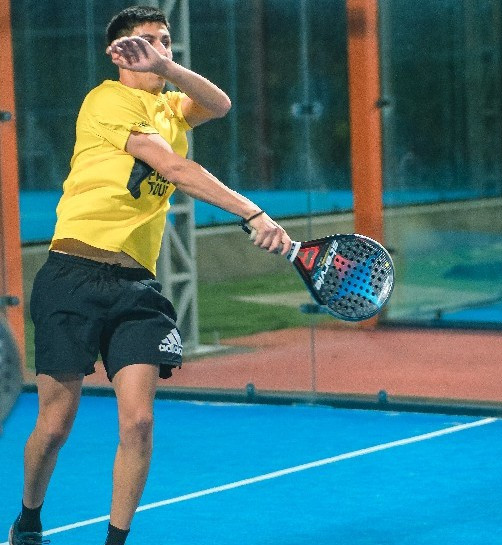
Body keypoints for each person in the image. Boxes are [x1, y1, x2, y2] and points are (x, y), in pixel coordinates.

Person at [8, 6, 292, 545]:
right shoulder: (106, 100)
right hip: (73, 275)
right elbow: (174, 168)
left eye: (165, 40)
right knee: (55, 424)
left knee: (138, 423)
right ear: (118, 52)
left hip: (136, 287)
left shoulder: (171, 107)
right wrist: (251, 212)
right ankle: (28, 517)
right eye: (146, 41)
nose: (160, 48)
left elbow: (220, 104)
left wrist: (168, 67)